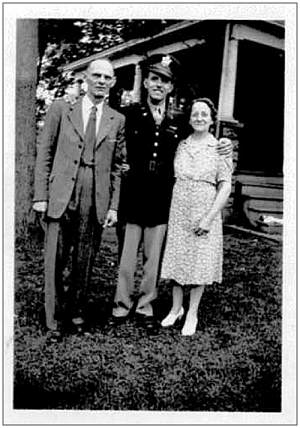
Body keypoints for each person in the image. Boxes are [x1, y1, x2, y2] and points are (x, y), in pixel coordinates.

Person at [110, 54, 232, 334]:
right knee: (128, 255)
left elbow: (203, 142)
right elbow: (112, 141)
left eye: (164, 81)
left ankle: (145, 305)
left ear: (171, 87)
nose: (158, 85)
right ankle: (121, 303)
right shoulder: (129, 114)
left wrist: (224, 143)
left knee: (154, 258)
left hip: (162, 199)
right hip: (133, 195)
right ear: (147, 83)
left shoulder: (177, 123)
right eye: (154, 78)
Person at [33, 59, 126, 340]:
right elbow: (45, 153)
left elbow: (119, 166)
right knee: (55, 259)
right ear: (85, 78)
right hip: (61, 192)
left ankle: (76, 314)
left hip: (95, 195)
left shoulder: (116, 119)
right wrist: (41, 196)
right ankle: (52, 319)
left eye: (106, 77)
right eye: (96, 75)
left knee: (84, 260)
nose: (100, 80)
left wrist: (113, 205)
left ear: (112, 82)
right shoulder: (62, 109)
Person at [160, 98, 232, 336]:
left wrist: (208, 218)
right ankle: (176, 308)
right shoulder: (181, 145)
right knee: (178, 258)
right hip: (179, 208)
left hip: (205, 208)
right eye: (195, 114)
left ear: (212, 119)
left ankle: (192, 313)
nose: (199, 118)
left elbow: (225, 187)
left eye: (204, 114)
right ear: (189, 118)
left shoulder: (219, 148)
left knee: (200, 262)